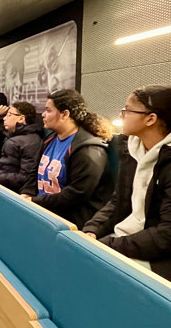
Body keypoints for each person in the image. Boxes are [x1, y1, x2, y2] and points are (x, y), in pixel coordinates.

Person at [82, 85, 171, 301]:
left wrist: (108, 245)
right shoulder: (133, 147)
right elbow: (119, 200)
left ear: (150, 119)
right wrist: (93, 229)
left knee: (92, 276)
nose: (122, 115)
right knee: (81, 258)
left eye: (127, 110)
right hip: (132, 242)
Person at [21, 89, 113, 229]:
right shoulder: (50, 140)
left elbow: (76, 194)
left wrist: (35, 201)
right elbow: (35, 173)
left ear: (65, 114)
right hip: (44, 213)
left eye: (48, 110)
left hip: (68, 223)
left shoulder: (89, 150)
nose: (43, 114)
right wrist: (26, 193)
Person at [0, 102, 43, 194]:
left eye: (9, 115)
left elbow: (25, 177)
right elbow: (8, 165)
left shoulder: (30, 142)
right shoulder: (12, 137)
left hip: (13, 192)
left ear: (21, 118)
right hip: (3, 185)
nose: (4, 118)